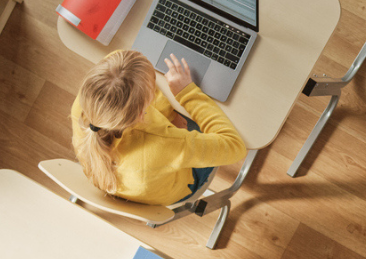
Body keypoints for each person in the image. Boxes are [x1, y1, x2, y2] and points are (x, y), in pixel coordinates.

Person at [71, 50, 246, 205]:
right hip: (179, 183)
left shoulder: (85, 104)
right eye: (151, 87)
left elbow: (113, 59)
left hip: (126, 181)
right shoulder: (166, 144)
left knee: (174, 113)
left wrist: (170, 116)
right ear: (141, 114)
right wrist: (187, 92)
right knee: (229, 113)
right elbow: (234, 146)